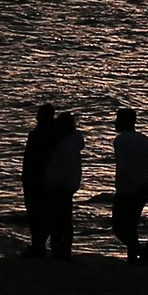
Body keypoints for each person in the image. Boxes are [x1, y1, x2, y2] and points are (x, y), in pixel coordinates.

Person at [113, 107, 148, 263]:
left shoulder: (120, 140)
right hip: (142, 190)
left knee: (119, 228)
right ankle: (134, 258)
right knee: (131, 227)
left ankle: (141, 253)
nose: (115, 123)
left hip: (126, 190)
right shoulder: (146, 141)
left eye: (118, 119)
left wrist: (138, 185)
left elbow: (122, 166)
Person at [42, 110, 85, 259]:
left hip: (60, 185)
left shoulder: (67, 145)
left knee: (59, 219)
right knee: (63, 218)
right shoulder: (70, 143)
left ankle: (61, 250)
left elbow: (64, 167)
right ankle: (62, 249)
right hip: (66, 185)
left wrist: (52, 180)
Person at [21, 103, 57, 257]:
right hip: (47, 179)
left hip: (36, 179)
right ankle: (40, 244)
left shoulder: (37, 135)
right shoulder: (56, 135)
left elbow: (29, 159)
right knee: (44, 213)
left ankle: (38, 245)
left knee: (36, 213)